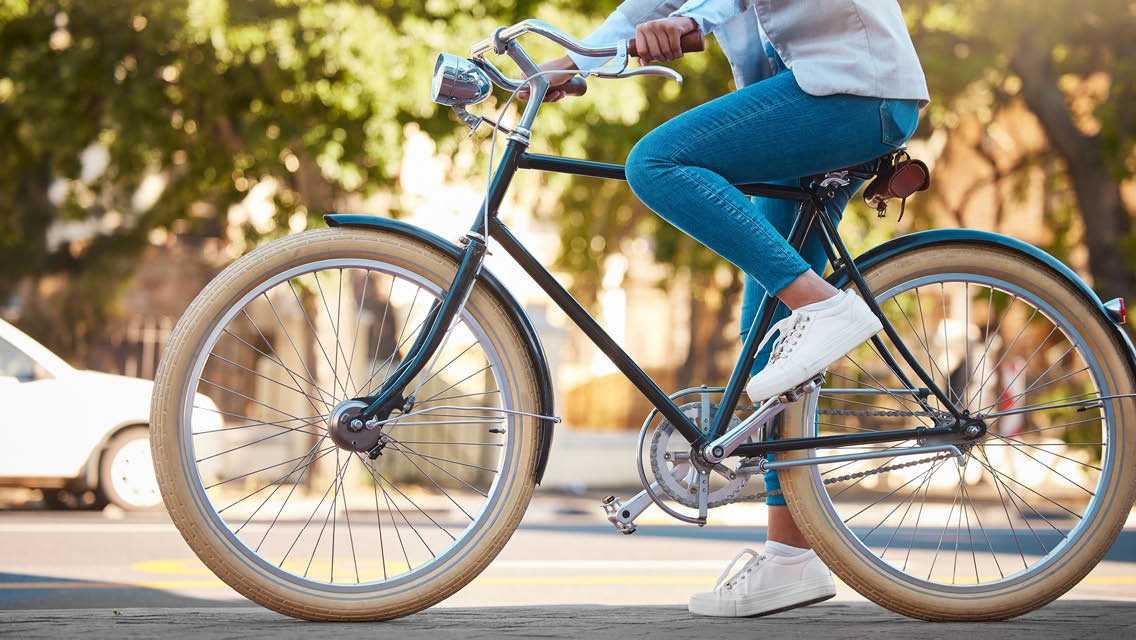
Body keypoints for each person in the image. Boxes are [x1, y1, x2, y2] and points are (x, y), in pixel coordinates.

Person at [527, 0, 930, 618]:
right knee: (766, 335)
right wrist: (571, 61)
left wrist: (692, 23)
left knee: (656, 162)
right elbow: (651, 6)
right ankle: (790, 558)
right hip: (820, 94)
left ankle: (827, 308)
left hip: (849, 90)